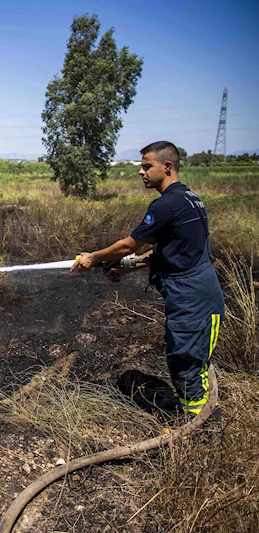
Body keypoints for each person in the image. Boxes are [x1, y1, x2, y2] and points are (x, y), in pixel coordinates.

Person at [71, 141, 224, 416]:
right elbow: (169, 251)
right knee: (189, 364)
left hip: (192, 301)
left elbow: (130, 244)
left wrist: (93, 257)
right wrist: (124, 268)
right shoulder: (190, 199)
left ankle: (199, 433)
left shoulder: (166, 204)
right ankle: (198, 422)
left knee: (186, 367)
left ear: (167, 167)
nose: (141, 173)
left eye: (146, 166)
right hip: (199, 296)